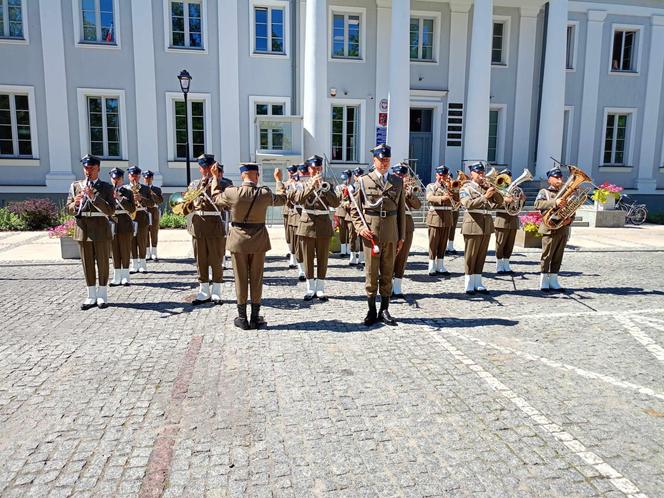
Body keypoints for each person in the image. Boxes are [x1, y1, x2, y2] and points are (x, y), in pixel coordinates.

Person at [212, 163, 287, 329]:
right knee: (256, 278)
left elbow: (216, 198)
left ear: (242, 175)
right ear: (257, 175)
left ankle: (242, 318)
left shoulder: (232, 192)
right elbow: (282, 199)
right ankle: (254, 317)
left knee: (240, 279)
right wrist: (279, 181)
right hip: (259, 240)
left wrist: (216, 178)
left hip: (238, 240)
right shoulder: (265, 193)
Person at [350, 144, 406, 326]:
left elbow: (401, 212)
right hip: (371, 233)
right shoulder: (364, 181)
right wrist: (360, 228)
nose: (384, 163)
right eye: (381, 160)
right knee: (372, 272)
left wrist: (401, 236)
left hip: (391, 232)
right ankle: (371, 309)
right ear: (374, 160)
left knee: (388, 271)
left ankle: (385, 309)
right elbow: (354, 209)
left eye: (387, 160)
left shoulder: (398, 182)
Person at [66, 154, 115, 310]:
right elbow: (68, 209)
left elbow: (111, 210)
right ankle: (90, 295)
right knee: (87, 264)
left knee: (102, 262)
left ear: (98, 169)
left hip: (100, 228)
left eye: (92, 168)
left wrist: (94, 197)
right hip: (83, 229)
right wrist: (76, 203)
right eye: (86, 168)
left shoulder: (106, 187)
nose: (88, 171)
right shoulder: (75, 186)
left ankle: (102, 295)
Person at [288, 155, 340, 301]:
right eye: (313, 168)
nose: (316, 170)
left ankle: (321, 288)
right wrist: (312, 186)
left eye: (318, 168)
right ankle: (310, 288)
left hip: (323, 225)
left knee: (323, 258)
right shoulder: (301, 184)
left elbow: (335, 203)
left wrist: (326, 190)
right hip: (307, 225)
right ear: (309, 169)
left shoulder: (328, 184)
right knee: (308, 257)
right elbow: (298, 199)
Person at [180, 153, 226, 305]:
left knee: (216, 259)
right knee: (201, 260)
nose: (206, 170)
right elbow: (186, 209)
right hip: (198, 226)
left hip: (214, 224)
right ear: (200, 169)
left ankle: (217, 291)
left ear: (214, 166)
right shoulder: (194, 184)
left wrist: (213, 181)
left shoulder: (223, 183)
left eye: (208, 167)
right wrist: (186, 202)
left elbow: (224, 204)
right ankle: (204, 291)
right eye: (203, 167)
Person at [459, 161, 501, 294]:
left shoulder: (486, 187)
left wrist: (494, 190)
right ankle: (468, 283)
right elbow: (468, 204)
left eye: (482, 172)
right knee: (471, 255)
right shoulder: (466, 188)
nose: (481, 175)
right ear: (472, 174)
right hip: (472, 225)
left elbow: (499, 202)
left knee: (481, 255)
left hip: (486, 225)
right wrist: (485, 196)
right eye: (478, 173)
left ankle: (478, 282)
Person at [535, 167, 570, 291]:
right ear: (550, 179)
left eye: (560, 177)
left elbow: (572, 208)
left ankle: (554, 280)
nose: (559, 180)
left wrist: (569, 219)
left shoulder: (566, 192)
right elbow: (538, 205)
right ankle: (544, 280)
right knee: (547, 255)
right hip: (549, 228)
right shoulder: (544, 192)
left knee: (558, 255)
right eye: (556, 177)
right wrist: (555, 203)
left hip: (562, 228)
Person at [391, 163, 421, 298]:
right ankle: (387, 284)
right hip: (392, 224)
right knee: (390, 256)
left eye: (403, 175)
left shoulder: (409, 189)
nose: (401, 177)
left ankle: (397, 286)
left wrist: (410, 194)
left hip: (407, 225)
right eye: (399, 175)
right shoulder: (390, 186)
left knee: (402, 257)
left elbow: (418, 205)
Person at [109, 168, 136, 287]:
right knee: (114, 250)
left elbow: (132, 209)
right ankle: (116, 276)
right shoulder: (107, 191)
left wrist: (119, 198)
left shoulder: (128, 192)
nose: (116, 181)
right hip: (112, 221)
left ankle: (125, 276)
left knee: (125, 250)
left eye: (118, 179)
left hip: (125, 222)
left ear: (122, 179)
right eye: (114, 178)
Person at [425, 165, 454, 277]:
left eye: (444, 175)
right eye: (440, 175)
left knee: (443, 243)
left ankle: (440, 265)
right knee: (433, 242)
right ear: (436, 175)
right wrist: (442, 198)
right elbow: (430, 197)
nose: (442, 177)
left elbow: (457, 199)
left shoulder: (450, 186)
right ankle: (431, 265)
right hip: (435, 217)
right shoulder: (431, 186)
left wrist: (451, 189)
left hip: (447, 217)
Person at [493, 169, 523, 274]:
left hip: (513, 220)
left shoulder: (515, 189)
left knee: (510, 244)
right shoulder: (497, 190)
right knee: (500, 244)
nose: (507, 180)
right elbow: (492, 204)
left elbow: (519, 207)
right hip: (501, 219)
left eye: (508, 177)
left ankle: (506, 264)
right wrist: (504, 201)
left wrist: (521, 200)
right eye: (505, 177)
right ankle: (499, 265)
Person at [127, 165, 155, 274]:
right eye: (132, 175)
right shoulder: (125, 188)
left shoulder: (145, 188)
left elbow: (152, 203)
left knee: (142, 240)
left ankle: (143, 264)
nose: (134, 178)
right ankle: (134, 264)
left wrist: (141, 198)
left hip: (142, 216)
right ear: (129, 176)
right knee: (132, 241)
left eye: (136, 176)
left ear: (139, 176)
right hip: (130, 217)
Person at [287, 163, 309, 281]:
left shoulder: (313, 185)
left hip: (309, 219)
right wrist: (294, 186)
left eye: (306, 173)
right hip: (296, 217)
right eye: (302, 173)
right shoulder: (294, 185)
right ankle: (301, 270)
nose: (304, 175)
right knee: (297, 244)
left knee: (307, 246)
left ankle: (307, 269)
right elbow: (289, 198)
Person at [142, 170, 163, 262]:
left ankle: (154, 252)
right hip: (145, 211)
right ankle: (147, 252)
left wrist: (152, 193)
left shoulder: (157, 189)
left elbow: (160, 201)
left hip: (154, 210)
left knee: (154, 231)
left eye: (149, 178)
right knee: (145, 231)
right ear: (144, 179)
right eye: (146, 178)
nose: (148, 180)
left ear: (152, 178)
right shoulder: (141, 189)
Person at [347, 167, 365, 267]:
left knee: (363, 236)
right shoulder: (351, 187)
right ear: (354, 176)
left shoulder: (366, 186)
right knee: (352, 236)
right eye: (357, 175)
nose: (358, 177)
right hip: (353, 214)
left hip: (363, 213)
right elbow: (346, 199)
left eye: (360, 175)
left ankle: (362, 256)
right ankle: (353, 255)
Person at [335, 169, 353, 258]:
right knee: (342, 231)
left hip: (350, 212)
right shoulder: (339, 187)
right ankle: (343, 250)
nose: (346, 180)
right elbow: (337, 199)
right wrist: (342, 192)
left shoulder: (352, 187)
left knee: (350, 231)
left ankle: (349, 250)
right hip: (341, 211)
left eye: (348, 178)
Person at [283, 164, 299, 267]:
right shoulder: (285, 183)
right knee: (288, 235)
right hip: (287, 211)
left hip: (295, 212)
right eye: (289, 172)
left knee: (295, 235)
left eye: (292, 172)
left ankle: (295, 254)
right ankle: (290, 250)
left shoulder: (298, 183)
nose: (290, 173)